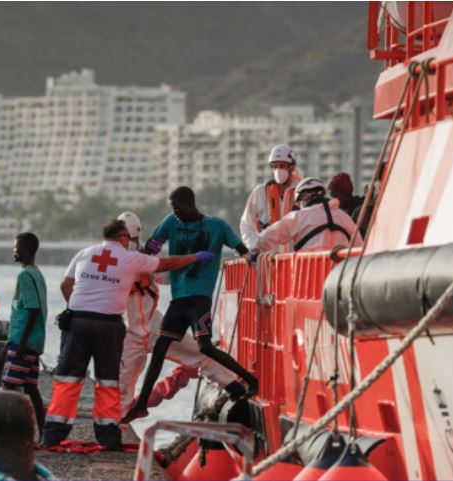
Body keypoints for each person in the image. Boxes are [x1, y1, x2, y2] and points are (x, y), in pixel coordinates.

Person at [41, 219, 212, 450]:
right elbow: (165, 264)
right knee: (109, 381)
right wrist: (194, 257)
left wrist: (78, 306)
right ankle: (108, 436)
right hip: (108, 326)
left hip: (77, 322)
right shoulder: (129, 258)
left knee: (68, 379)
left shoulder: (85, 253)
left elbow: (65, 285)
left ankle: (52, 435)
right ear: (123, 238)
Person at [121, 186, 258, 425]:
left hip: (181, 309)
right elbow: (152, 252)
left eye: (176, 208)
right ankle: (132, 410)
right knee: (146, 361)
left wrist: (250, 258)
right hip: (160, 315)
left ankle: (243, 382)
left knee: (203, 349)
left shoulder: (216, 226)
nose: (174, 214)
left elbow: (241, 250)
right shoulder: (165, 228)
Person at [1, 232, 47, 437]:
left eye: (16, 247)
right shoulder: (37, 273)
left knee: (9, 385)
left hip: (23, 341)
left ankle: (9, 433)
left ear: (26, 251)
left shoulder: (24, 275)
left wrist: (21, 344)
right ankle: (44, 431)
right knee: (31, 388)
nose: (13, 250)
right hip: (35, 341)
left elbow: (33, 309)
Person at [251, 177, 363, 254]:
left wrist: (254, 251)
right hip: (338, 279)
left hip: (308, 281)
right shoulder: (344, 217)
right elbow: (360, 247)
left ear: (303, 198)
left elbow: (266, 237)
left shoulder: (299, 216)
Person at [239, 144, 302, 250]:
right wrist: (253, 247)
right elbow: (246, 224)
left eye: (282, 166)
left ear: (291, 167)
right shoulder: (260, 192)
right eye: (274, 166)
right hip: (268, 260)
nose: (278, 170)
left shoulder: (301, 191)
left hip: (294, 259)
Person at [328, 172, 371, 236]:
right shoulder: (336, 212)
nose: (333, 199)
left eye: (334, 195)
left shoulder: (360, 212)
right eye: (331, 196)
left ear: (346, 194)